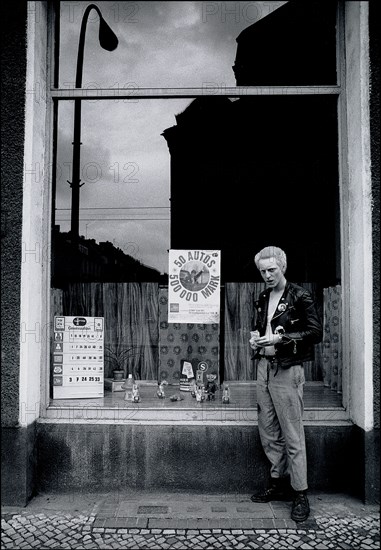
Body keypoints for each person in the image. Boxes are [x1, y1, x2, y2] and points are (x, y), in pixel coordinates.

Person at [249, 246, 323, 523]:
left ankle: (300, 492)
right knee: (268, 431)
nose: (267, 275)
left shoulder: (300, 295)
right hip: (264, 368)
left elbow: (315, 332)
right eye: (263, 271)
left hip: (288, 370)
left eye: (272, 270)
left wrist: (282, 339)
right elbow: (261, 328)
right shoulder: (263, 296)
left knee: (292, 432)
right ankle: (278, 482)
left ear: (283, 267)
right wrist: (255, 340)